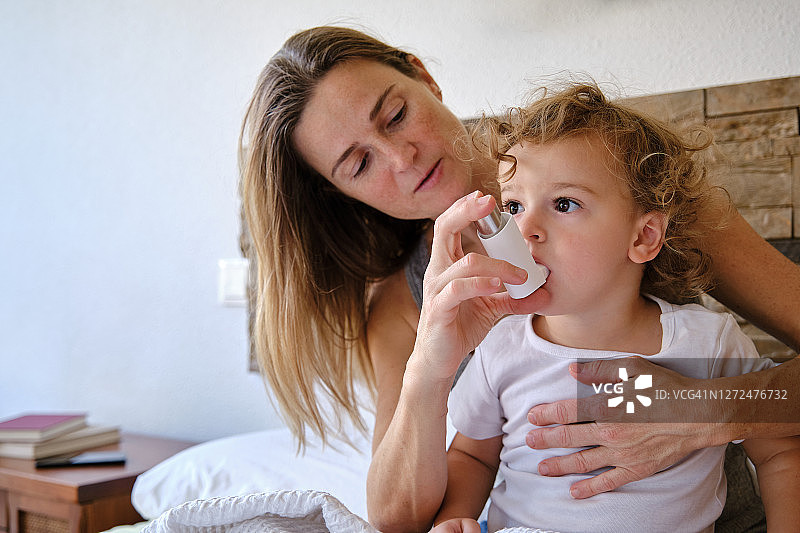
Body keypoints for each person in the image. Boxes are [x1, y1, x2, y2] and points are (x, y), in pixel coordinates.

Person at [238, 26, 800, 532]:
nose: (402, 157)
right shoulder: (409, 299)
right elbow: (395, 518)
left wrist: (704, 410)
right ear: (343, 193)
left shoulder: (638, 192)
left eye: (395, 115)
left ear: (424, 77)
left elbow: (778, 451)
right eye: (360, 164)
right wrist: (430, 366)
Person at [427, 82, 800, 533]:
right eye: (514, 205)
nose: (526, 228)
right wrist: (453, 521)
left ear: (643, 237)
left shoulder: (705, 342)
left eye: (564, 203)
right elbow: (471, 454)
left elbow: (780, 448)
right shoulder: (501, 344)